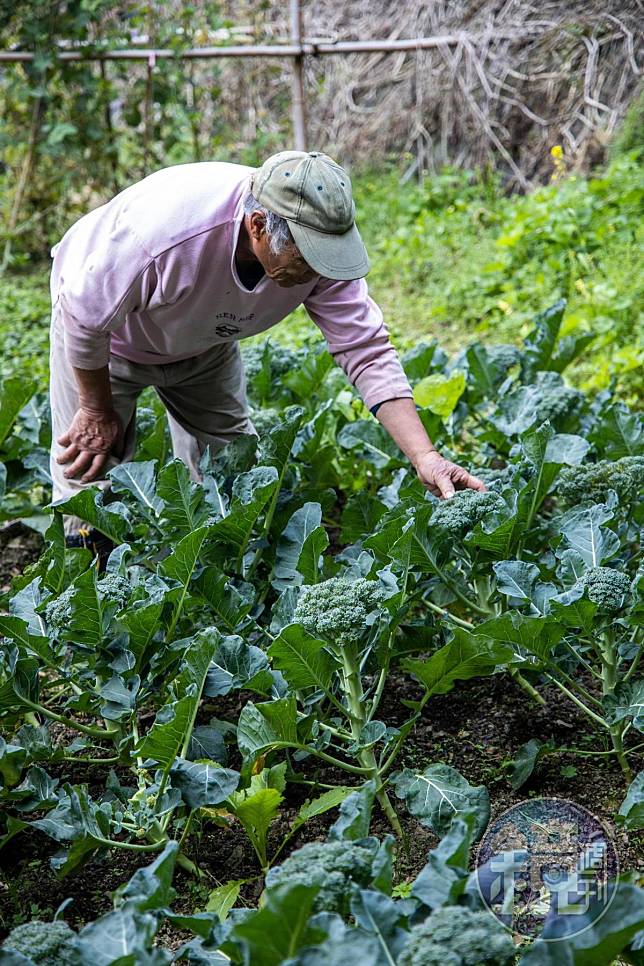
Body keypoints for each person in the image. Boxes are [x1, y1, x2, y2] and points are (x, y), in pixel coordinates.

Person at [49, 149, 484, 553]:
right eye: (308, 257)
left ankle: (208, 592)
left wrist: (425, 457)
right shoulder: (162, 233)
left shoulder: (321, 252)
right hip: (111, 340)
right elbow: (86, 316)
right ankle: (87, 601)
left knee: (233, 472)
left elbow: (365, 348)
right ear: (257, 226)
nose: (319, 271)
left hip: (207, 341)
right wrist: (95, 408)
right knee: (87, 473)